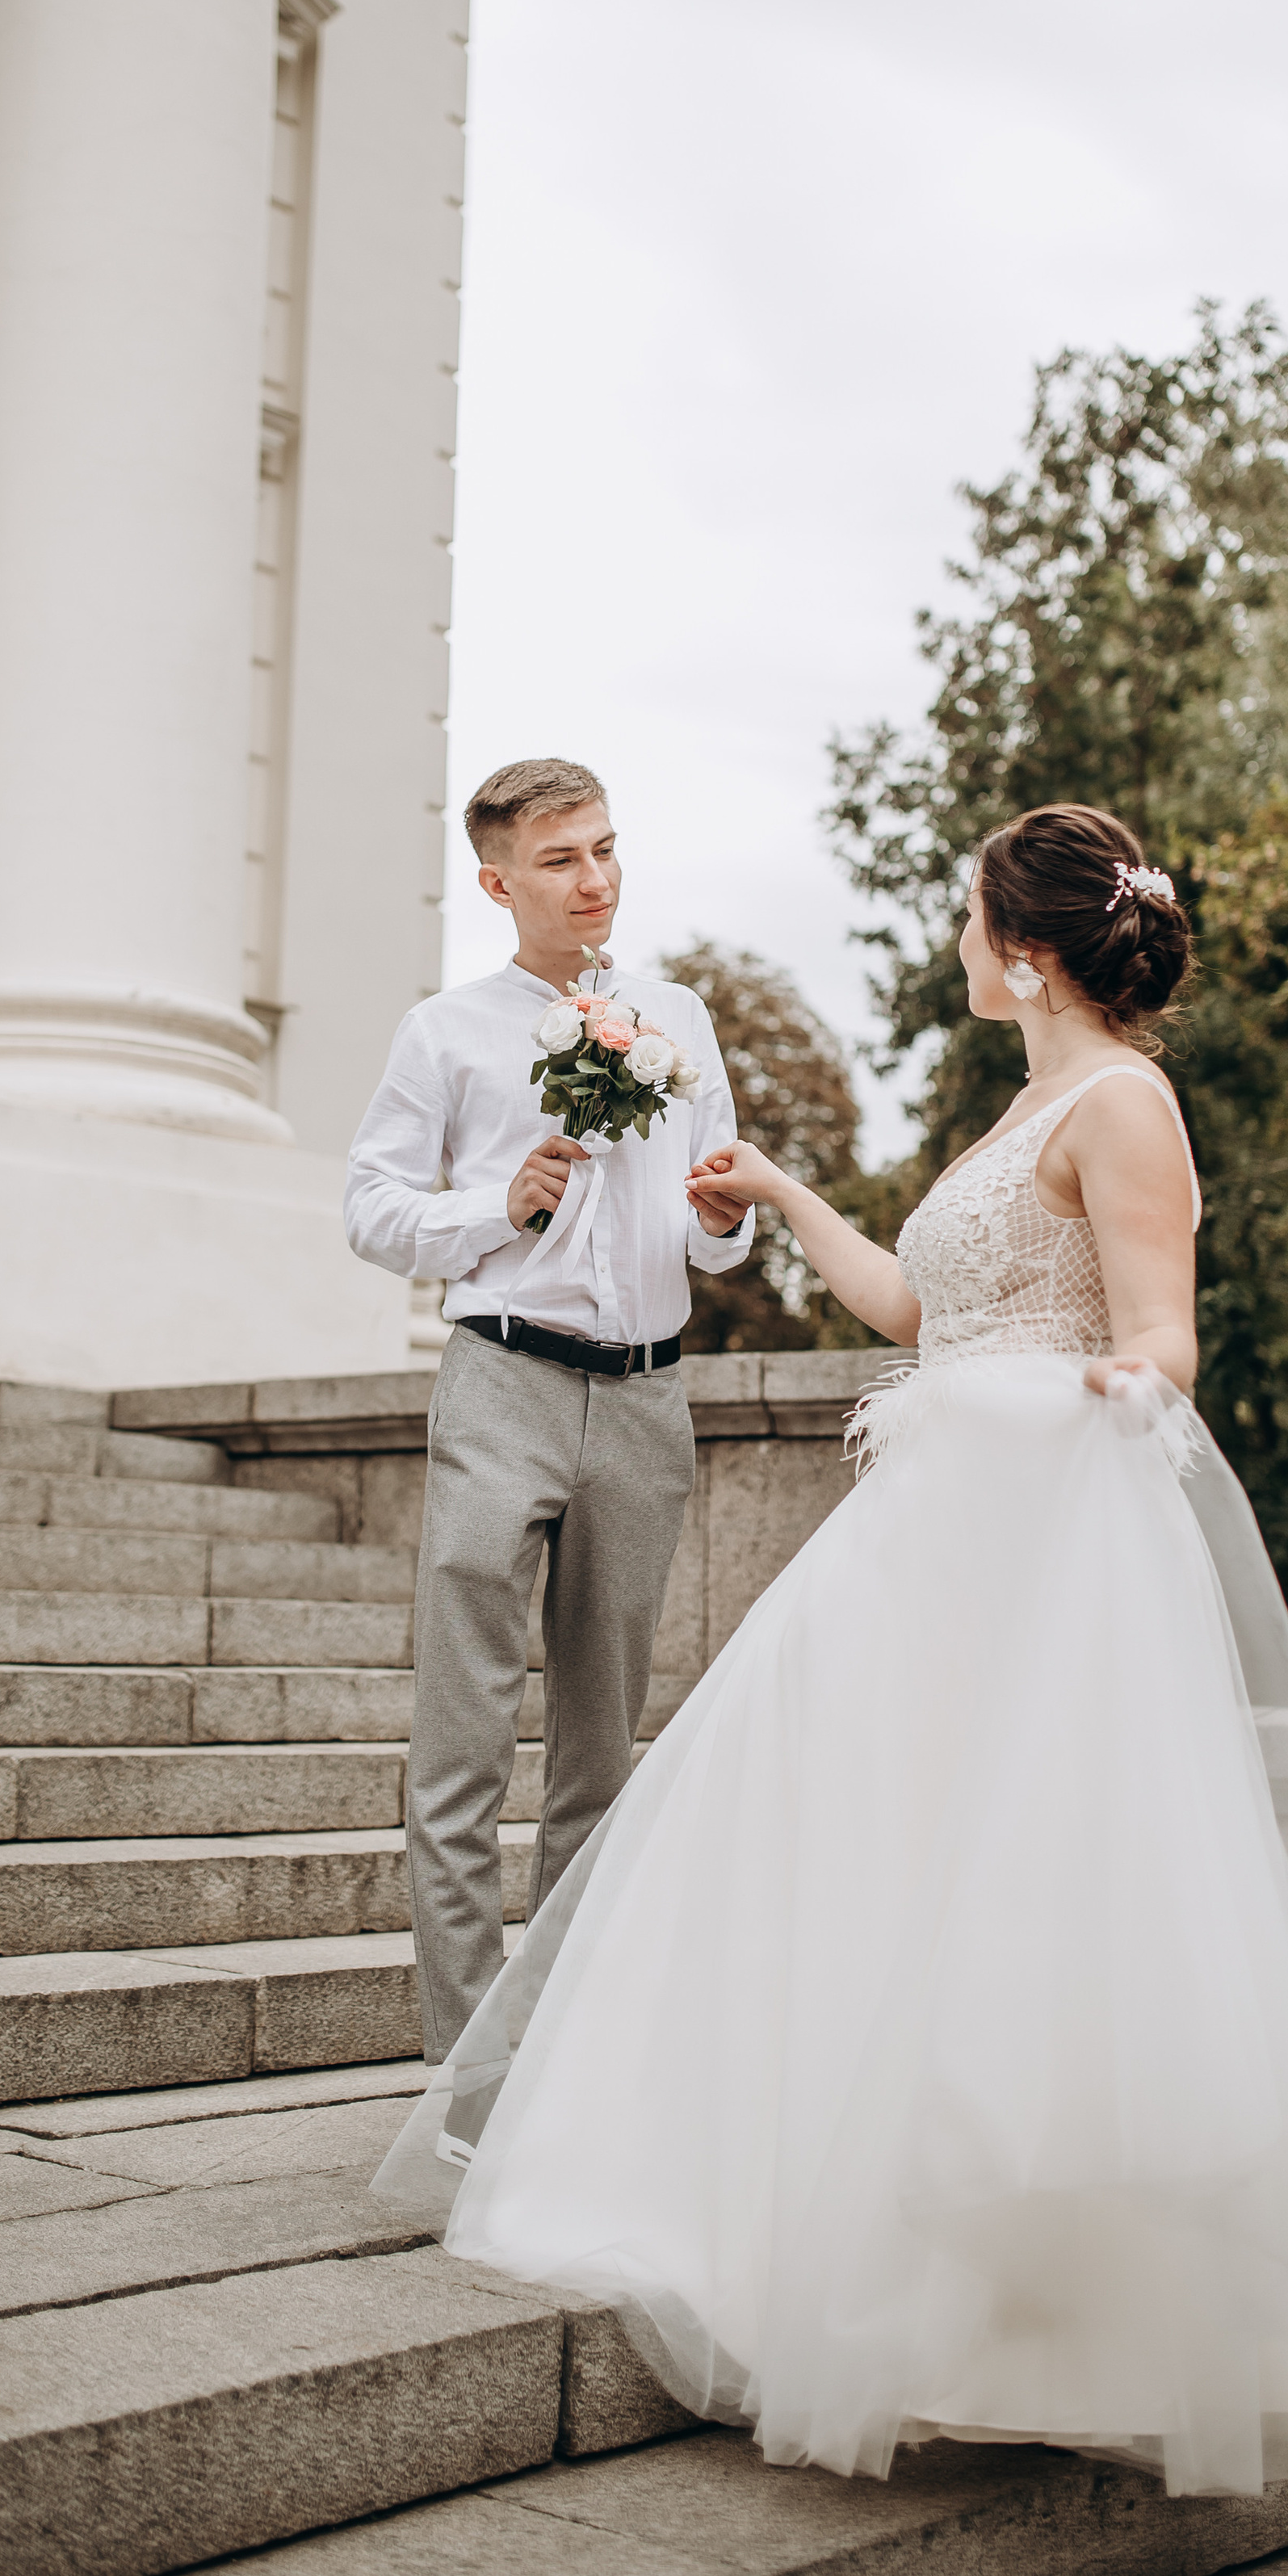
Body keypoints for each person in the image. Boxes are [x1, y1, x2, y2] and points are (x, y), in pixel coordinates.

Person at [375, 800, 1288, 2499]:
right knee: (874, 1875)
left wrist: (1108, 1389)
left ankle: (1016, 2301)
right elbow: (920, 1312)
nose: (954, 939)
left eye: (966, 918)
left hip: (1036, 1536)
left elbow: (1160, 1337)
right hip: (933, 1533)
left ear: (1022, 950)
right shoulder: (1017, 1104)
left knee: (1014, 1906)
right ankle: (851, 2235)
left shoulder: (1124, 1104)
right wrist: (785, 1194)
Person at [344, 757, 753, 2068]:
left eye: (608, 849)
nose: (598, 880)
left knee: (599, 1759)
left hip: (645, 1403)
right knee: (462, 1749)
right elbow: (370, 1211)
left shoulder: (675, 1014)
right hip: (501, 1387)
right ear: (499, 880)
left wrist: (724, 1218)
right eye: (565, 859)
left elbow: (717, 1240)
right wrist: (493, 1206)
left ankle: (560, 2067)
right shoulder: (444, 1034)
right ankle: (465, 2077)